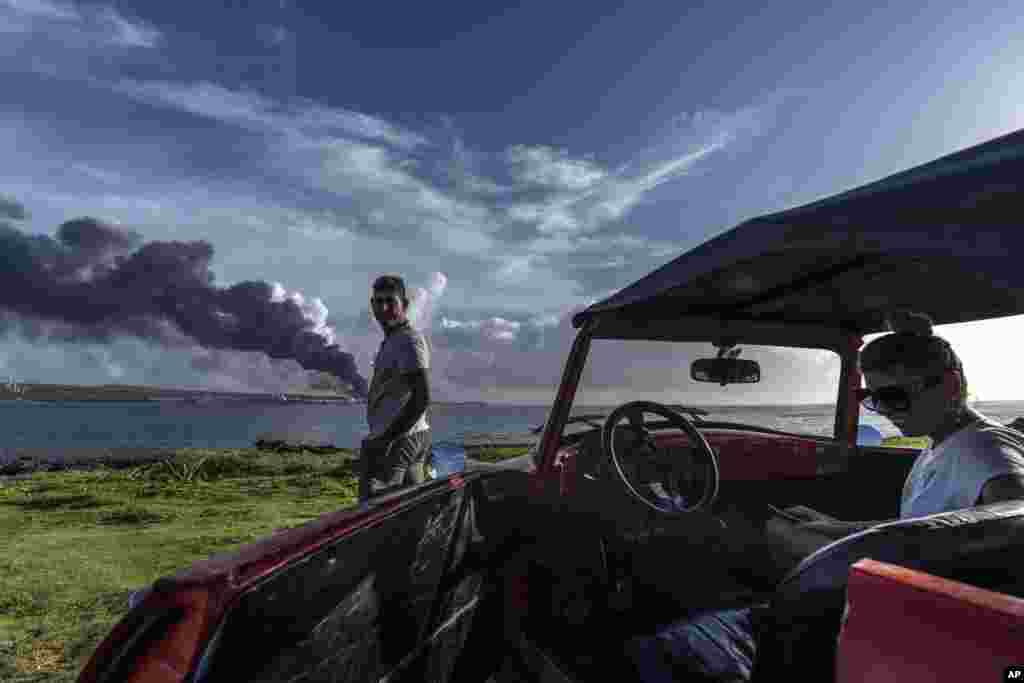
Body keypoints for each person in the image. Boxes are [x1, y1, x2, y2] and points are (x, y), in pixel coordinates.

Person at [625, 310, 1024, 681]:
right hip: (887, 606)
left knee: (658, 654)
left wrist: (819, 544)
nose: (882, 410)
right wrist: (837, 529)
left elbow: (1008, 529)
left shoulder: (984, 451)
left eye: (895, 397)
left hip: (909, 625)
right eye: (873, 398)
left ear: (950, 385)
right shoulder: (944, 443)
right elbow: (927, 529)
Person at [358, 274, 432, 503]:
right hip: (411, 437)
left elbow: (422, 397)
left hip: (397, 441)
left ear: (405, 305)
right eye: (378, 301)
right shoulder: (393, 340)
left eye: (391, 301)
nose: (384, 307)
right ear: (372, 305)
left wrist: (385, 440)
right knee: (414, 510)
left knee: (371, 511)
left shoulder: (408, 341)